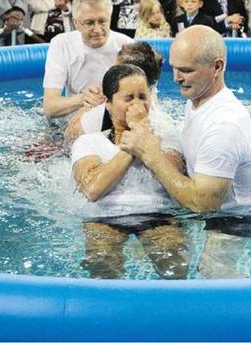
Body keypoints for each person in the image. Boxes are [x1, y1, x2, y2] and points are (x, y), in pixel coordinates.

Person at [119, 25, 251, 278]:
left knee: (212, 275)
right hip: (218, 208)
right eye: (174, 68)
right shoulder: (198, 101)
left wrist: (151, 153)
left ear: (217, 67)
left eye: (186, 70)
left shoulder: (224, 124)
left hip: (236, 218)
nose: (176, 77)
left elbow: (203, 204)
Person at [72, 63, 189, 279]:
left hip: (159, 215)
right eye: (128, 98)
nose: (137, 105)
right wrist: (133, 144)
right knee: (102, 267)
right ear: (108, 104)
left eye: (142, 97)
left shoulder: (168, 140)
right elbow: (92, 189)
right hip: (105, 218)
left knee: (175, 265)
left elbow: (176, 182)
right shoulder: (89, 142)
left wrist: (146, 140)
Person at [42, 0, 133, 119]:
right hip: (75, 120)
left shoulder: (127, 45)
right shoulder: (61, 44)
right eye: (89, 23)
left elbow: (148, 99)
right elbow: (49, 107)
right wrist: (83, 99)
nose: (97, 29)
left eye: (102, 21)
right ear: (76, 23)